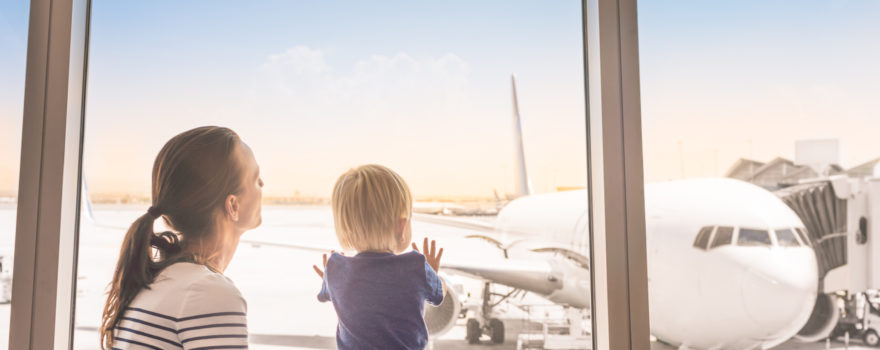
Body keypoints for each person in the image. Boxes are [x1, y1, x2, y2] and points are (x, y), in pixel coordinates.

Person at [100, 126, 263, 349]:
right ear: (233, 205)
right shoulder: (208, 293)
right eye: (256, 179)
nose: (262, 185)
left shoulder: (155, 282)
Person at [312, 164, 445, 350]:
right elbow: (438, 297)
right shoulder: (416, 267)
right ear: (401, 226)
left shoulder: (335, 268)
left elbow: (326, 296)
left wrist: (332, 279)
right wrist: (433, 274)